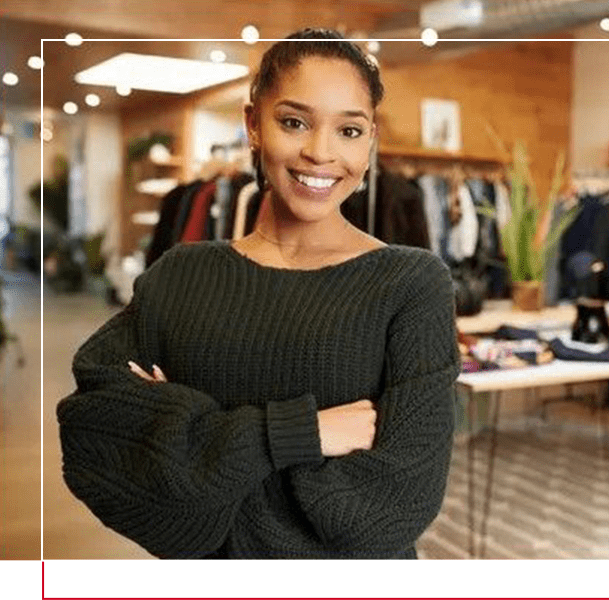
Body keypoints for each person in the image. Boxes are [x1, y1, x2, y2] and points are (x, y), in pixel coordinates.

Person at [56, 29, 461, 560]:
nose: (320, 152)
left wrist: (197, 447)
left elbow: (395, 505)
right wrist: (300, 434)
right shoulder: (181, 275)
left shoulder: (411, 285)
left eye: (349, 130)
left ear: (370, 141)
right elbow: (93, 440)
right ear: (253, 125)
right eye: (294, 122)